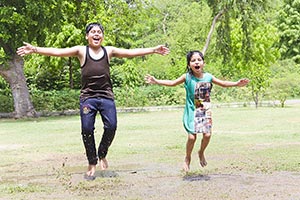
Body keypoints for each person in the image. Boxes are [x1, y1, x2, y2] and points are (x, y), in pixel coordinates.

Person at [17, 22, 169, 180]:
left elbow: (130, 53)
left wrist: (153, 50)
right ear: (87, 36)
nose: (96, 34)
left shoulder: (109, 51)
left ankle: (102, 153)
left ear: (102, 36)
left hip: (106, 97)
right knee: (87, 129)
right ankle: (92, 161)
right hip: (88, 98)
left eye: (99, 32)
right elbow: (58, 52)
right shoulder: (81, 51)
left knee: (112, 126)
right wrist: (35, 49)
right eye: (93, 32)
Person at [145, 50, 249, 172]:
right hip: (191, 111)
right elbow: (172, 83)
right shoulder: (187, 77)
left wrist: (236, 83)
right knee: (191, 137)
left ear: (203, 63)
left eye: (199, 60)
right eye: (193, 60)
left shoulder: (208, 77)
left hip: (204, 110)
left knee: (207, 135)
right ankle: (187, 158)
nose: (196, 62)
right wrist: (156, 81)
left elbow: (223, 83)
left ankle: (201, 152)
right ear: (189, 65)